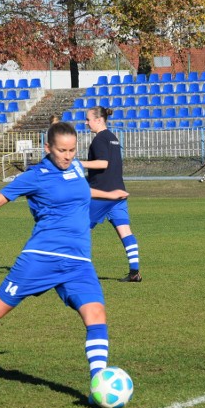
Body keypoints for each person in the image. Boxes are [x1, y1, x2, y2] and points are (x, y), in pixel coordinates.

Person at [0, 121, 128, 384]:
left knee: (96, 315)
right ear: (48, 147)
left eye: (72, 150)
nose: (68, 156)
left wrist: (108, 194)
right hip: (42, 257)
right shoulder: (34, 176)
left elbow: (78, 191)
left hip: (79, 262)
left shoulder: (77, 168)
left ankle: (98, 383)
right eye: (62, 150)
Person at [81, 106, 142, 282]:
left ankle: (77, 270)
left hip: (101, 195)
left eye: (88, 119)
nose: (86, 123)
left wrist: (79, 164)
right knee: (126, 233)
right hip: (119, 193)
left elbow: (103, 164)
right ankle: (134, 272)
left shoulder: (100, 139)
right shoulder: (113, 138)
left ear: (99, 120)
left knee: (80, 232)